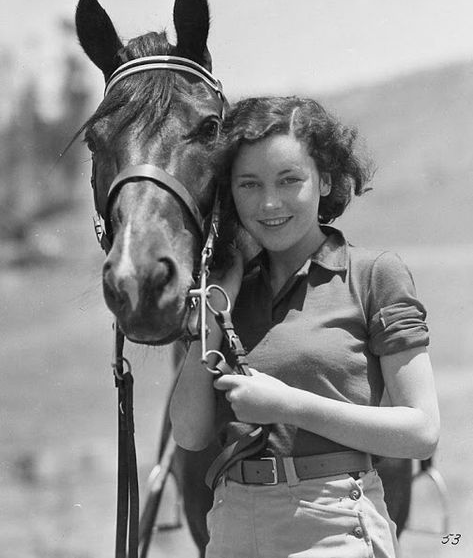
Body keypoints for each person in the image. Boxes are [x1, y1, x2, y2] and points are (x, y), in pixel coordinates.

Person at [170, 96, 440, 558]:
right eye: (249, 184)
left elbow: (421, 431)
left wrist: (288, 405)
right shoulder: (222, 294)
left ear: (326, 180)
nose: (269, 202)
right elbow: (190, 434)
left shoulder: (373, 274)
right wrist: (220, 301)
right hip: (233, 528)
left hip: (335, 527)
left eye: (289, 179)